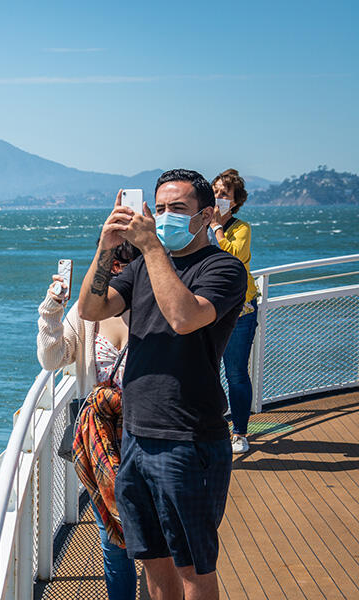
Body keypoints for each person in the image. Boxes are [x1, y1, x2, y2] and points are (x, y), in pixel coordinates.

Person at [77, 169, 246, 600]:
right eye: (162, 208)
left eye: (179, 209)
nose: (165, 217)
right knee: (153, 564)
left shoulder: (223, 269)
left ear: (207, 215)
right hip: (136, 434)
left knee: (193, 570)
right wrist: (106, 245)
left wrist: (151, 245)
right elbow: (92, 309)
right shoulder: (140, 269)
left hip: (189, 441)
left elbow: (184, 317)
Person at [37, 243, 139, 600]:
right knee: (112, 540)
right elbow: (52, 359)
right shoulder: (87, 312)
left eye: (128, 262)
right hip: (100, 439)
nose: (118, 270)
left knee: (160, 537)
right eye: (111, 262)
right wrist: (53, 308)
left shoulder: (155, 307)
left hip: (148, 433)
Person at [208, 169, 258, 453]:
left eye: (224, 193)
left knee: (236, 372)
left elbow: (234, 258)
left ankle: (239, 432)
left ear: (235, 201)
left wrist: (216, 228)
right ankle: (213, 426)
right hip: (207, 310)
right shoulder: (200, 226)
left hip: (240, 310)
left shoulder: (241, 229)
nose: (217, 197)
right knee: (206, 371)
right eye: (214, 191)